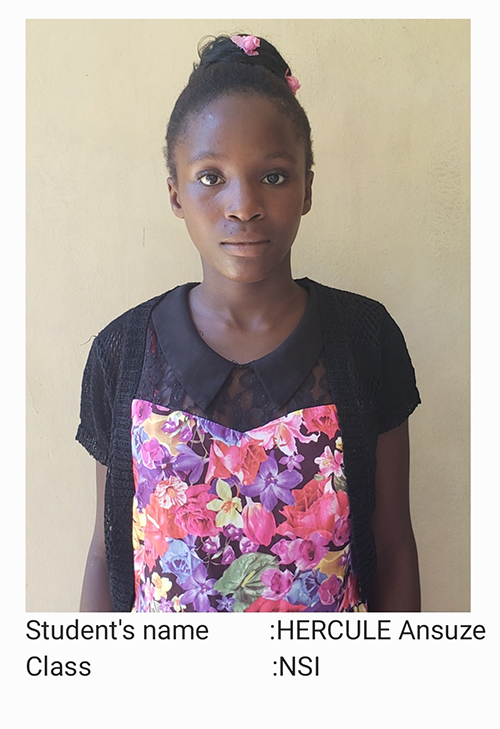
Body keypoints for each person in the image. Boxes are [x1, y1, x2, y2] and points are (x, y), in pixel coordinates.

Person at [77, 33, 421, 613]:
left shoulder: (365, 339)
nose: (243, 205)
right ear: (175, 194)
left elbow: (391, 545)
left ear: (308, 186)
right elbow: (106, 553)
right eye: (211, 177)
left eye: (275, 176)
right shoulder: (123, 352)